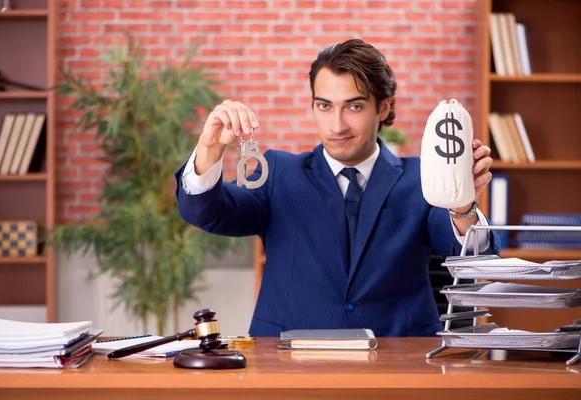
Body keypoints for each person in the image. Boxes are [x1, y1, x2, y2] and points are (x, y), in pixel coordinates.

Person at [174, 38, 500, 337]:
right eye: (325, 106)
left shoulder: (421, 177)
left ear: (383, 108)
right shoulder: (278, 173)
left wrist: (462, 202)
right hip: (288, 360)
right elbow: (206, 212)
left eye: (354, 106)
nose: (337, 125)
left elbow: (474, 263)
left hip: (399, 360)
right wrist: (209, 149)